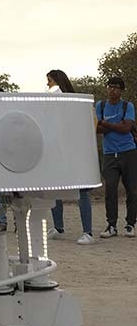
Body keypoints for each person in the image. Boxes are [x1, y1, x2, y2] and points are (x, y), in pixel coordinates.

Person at [44, 70, 94, 244]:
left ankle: (88, 232)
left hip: (76, 152)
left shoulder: (75, 103)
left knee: (82, 191)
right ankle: (58, 227)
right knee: (55, 189)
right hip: (58, 151)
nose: (47, 84)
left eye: (49, 80)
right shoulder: (53, 103)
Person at [96, 76, 137, 239]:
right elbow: (96, 128)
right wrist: (117, 125)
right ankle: (111, 225)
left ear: (121, 90)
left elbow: (126, 128)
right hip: (109, 153)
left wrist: (105, 123)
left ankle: (130, 224)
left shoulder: (127, 106)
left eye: (116, 87)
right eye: (110, 86)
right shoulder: (101, 105)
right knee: (110, 190)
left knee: (132, 190)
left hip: (128, 152)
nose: (112, 90)